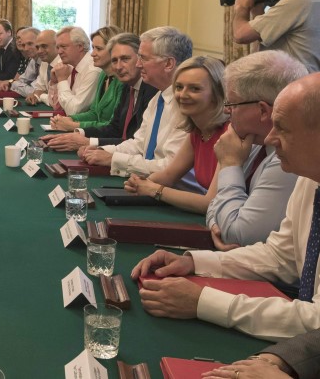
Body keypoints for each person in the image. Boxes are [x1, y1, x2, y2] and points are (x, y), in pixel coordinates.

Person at [131, 72, 320, 341]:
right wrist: (193, 262)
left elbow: (316, 322)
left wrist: (204, 302)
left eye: (284, 129)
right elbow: (280, 256)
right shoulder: (309, 177)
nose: (269, 138)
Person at [206, 50, 306, 249]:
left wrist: (230, 165)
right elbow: (213, 206)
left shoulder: (288, 157)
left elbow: (239, 235)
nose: (226, 111)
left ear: (262, 111)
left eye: (231, 103)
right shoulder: (251, 141)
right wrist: (215, 224)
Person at [79, 26, 194, 181]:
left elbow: (169, 167)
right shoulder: (159, 97)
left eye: (144, 58)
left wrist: (112, 159)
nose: (139, 65)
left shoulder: (188, 105)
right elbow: (139, 144)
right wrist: (99, 150)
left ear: (168, 64)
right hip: (149, 186)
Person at [123, 56, 229, 213]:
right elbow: (168, 175)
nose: (182, 95)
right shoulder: (196, 131)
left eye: (195, 89)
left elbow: (210, 203)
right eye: (179, 87)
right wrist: (139, 182)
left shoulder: (229, 134)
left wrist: (155, 190)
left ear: (216, 94)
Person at [43, 33, 157, 151]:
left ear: (140, 60)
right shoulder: (128, 87)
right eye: (114, 60)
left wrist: (88, 141)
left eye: (125, 59)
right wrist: (78, 133)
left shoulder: (151, 90)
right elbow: (115, 127)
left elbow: (136, 142)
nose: (118, 67)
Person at [47, 26, 123, 132]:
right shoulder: (104, 75)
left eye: (99, 49)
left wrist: (74, 124)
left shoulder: (119, 80)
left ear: (115, 51)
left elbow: (113, 125)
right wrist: (70, 119)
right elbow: (94, 112)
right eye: (93, 48)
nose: (92, 53)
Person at [25, 30, 61, 105]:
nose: (39, 51)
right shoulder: (44, 63)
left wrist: (41, 96)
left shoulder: (64, 64)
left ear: (57, 46)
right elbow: (39, 88)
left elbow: (58, 100)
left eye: (44, 46)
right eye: (37, 47)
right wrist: (34, 95)